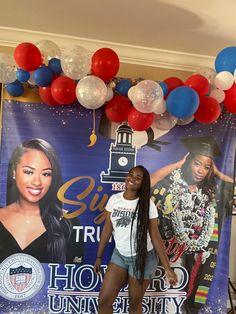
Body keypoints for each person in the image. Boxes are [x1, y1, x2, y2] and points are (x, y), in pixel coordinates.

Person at [150, 136, 234, 313]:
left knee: (191, 301)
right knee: (169, 299)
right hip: (173, 252)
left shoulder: (210, 193)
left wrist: (217, 172)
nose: (201, 171)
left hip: (198, 256)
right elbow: (150, 181)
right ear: (188, 162)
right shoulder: (171, 185)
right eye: (197, 164)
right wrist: (176, 165)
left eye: (206, 167)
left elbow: (231, 184)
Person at [94, 165, 178, 314]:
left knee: (134, 304)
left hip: (143, 258)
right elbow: (107, 230)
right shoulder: (114, 200)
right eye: (131, 175)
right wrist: (99, 257)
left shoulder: (147, 205)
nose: (132, 179)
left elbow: (156, 237)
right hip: (120, 255)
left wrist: (167, 268)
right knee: (104, 300)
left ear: (142, 184)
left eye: (137, 178)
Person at [0, 138, 83, 264]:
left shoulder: (67, 221)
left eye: (46, 174)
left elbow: (74, 274)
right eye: (29, 172)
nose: (37, 182)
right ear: (14, 172)